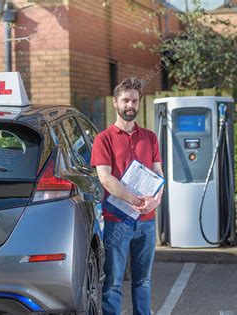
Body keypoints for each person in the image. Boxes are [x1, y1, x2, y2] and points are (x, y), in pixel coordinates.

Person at [91, 77, 163, 315]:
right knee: (113, 282)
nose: (130, 105)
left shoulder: (150, 137)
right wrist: (133, 199)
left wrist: (156, 199)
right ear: (115, 103)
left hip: (146, 222)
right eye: (125, 100)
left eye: (134, 100)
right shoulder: (103, 139)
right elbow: (105, 178)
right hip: (117, 222)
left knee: (143, 281)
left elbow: (158, 174)